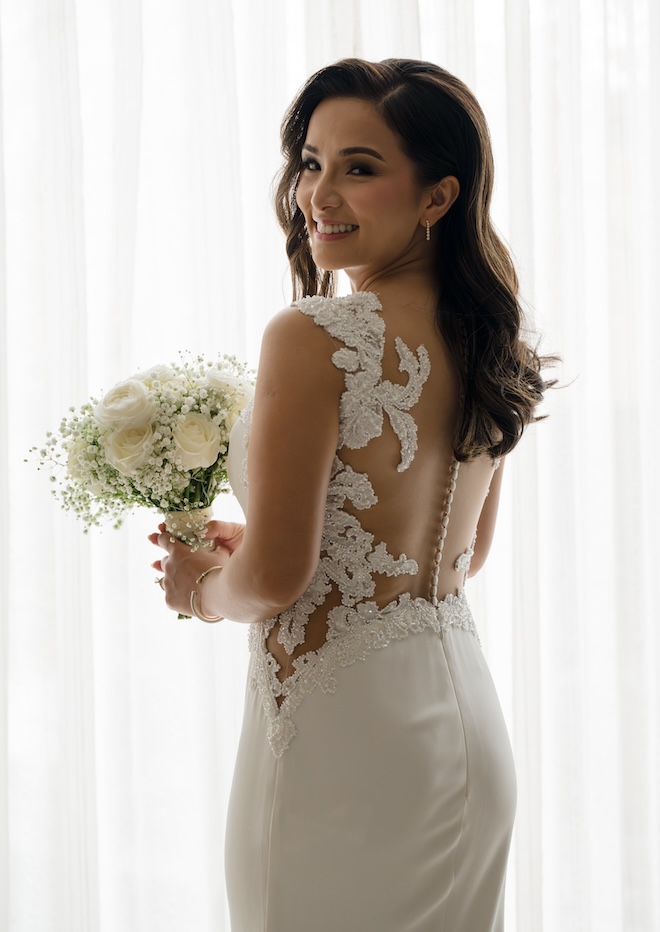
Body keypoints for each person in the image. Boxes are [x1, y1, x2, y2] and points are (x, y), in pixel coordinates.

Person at [150, 57, 553, 932]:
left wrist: (202, 591)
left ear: (438, 197)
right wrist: (253, 546)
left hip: (342, 743)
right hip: (463, 727)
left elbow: (278, 582)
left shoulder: (312, 334)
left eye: (359, 168)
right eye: (310, 161)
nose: (318, 195)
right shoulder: (490, 334)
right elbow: (462, 553)